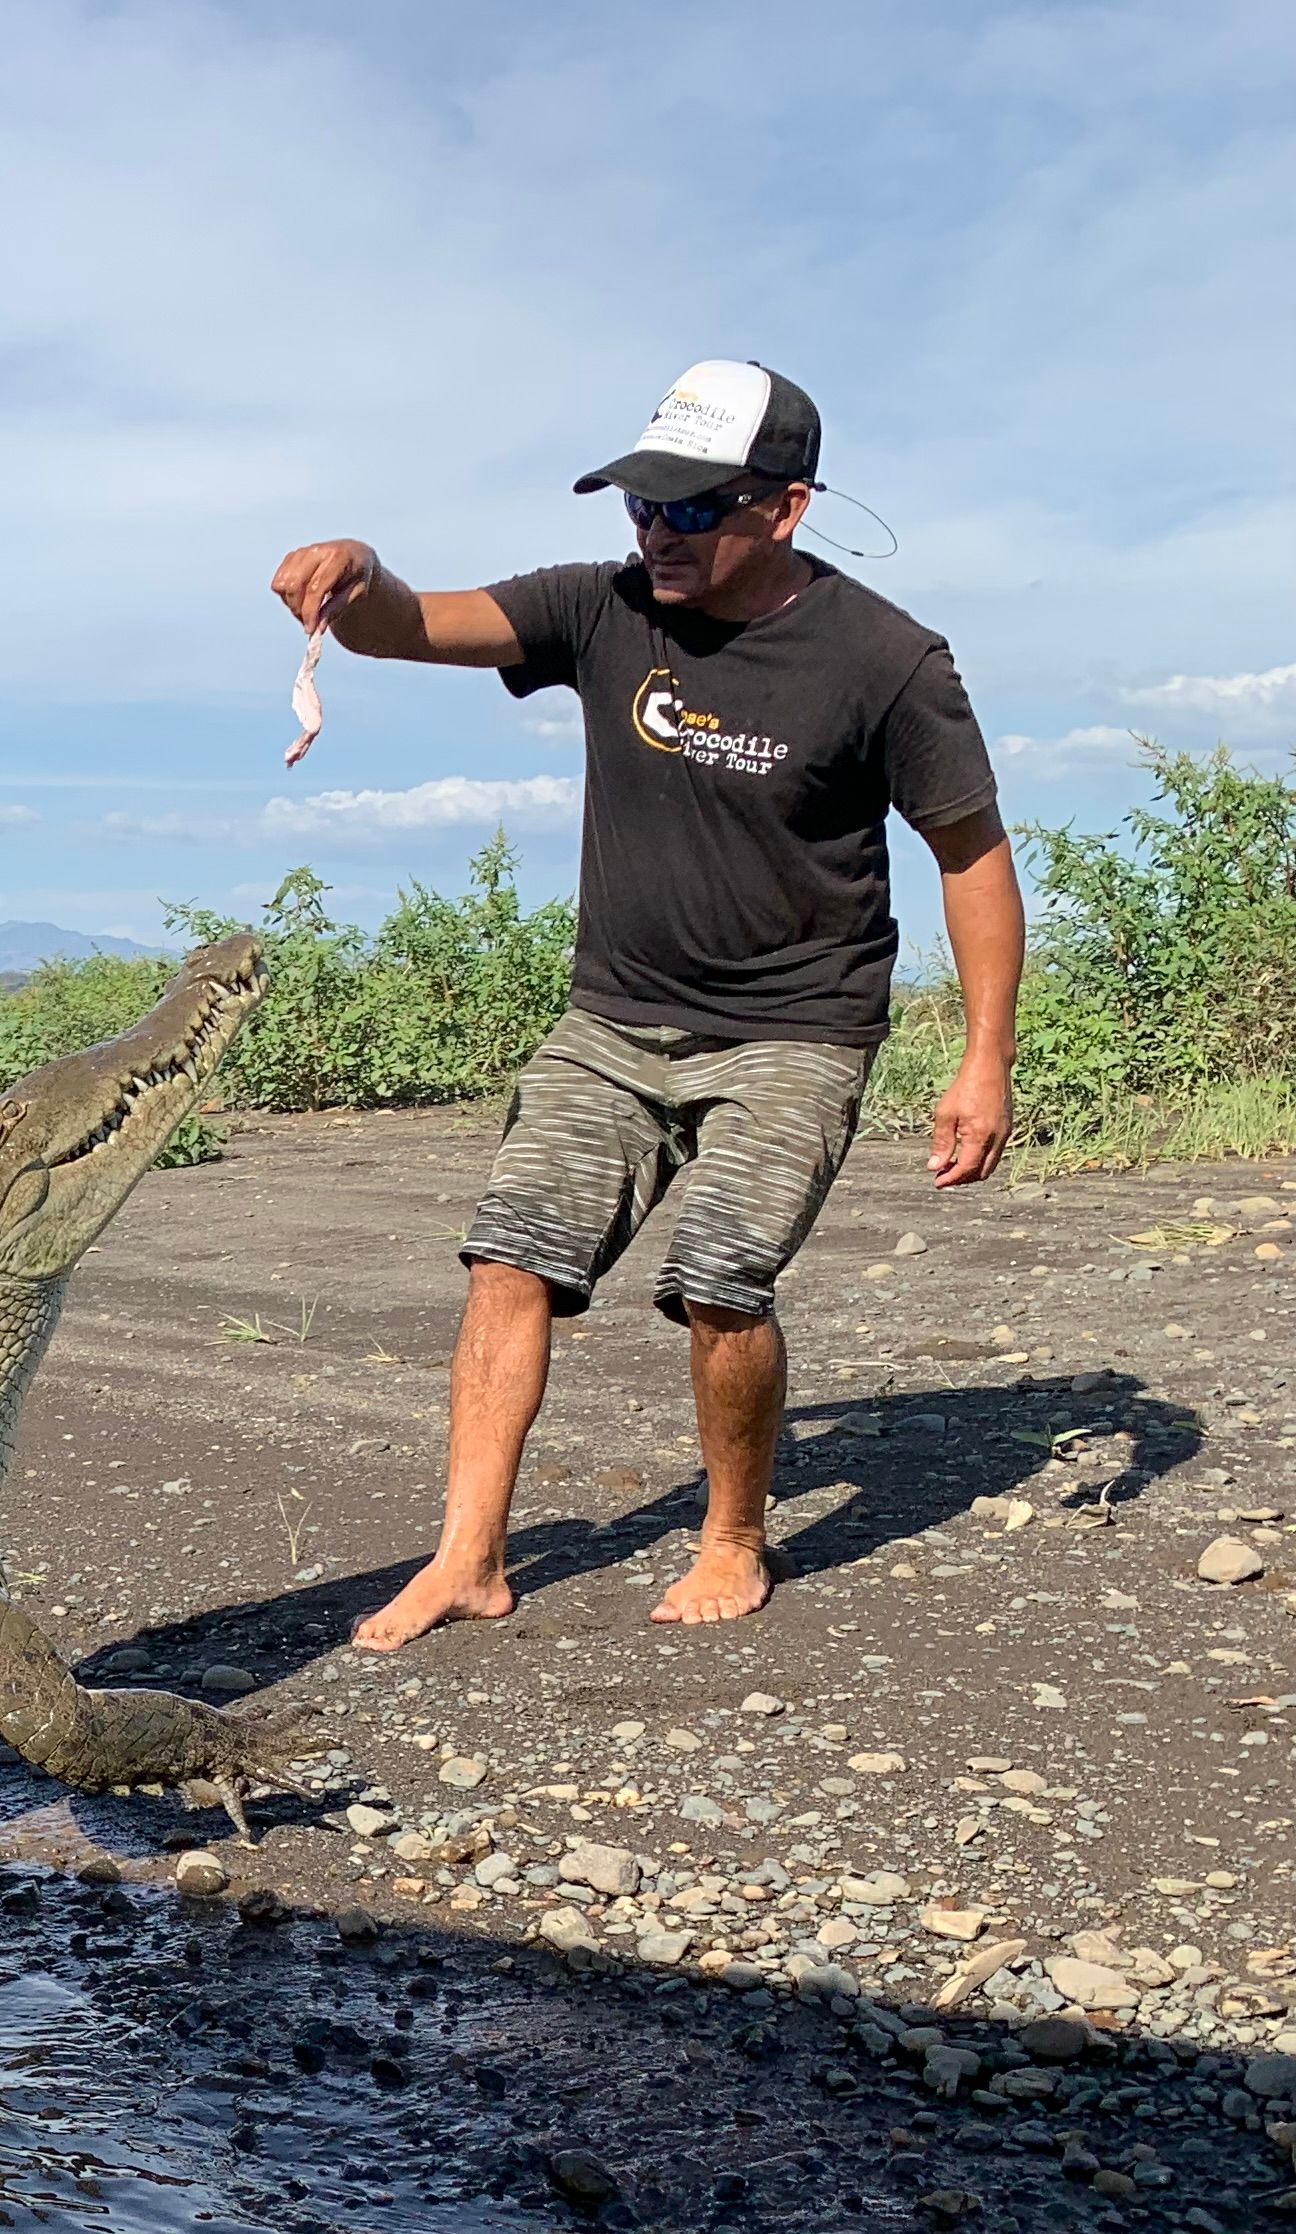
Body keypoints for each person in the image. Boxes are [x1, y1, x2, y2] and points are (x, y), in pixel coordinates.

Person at [268, 359, 1023, 1650]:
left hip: (798, 1028)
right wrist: (361, 571)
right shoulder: (601, 608)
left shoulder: (888, 662)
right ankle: (469, 1557)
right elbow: (412, 626)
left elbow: (973, 855)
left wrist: (984, 1059)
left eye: (690, 511)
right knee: (511, 1260)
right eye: (640, 508)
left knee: (723, 1283)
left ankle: (733, 1538)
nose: (655, 536)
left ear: (782, 510)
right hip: (615, 1019)